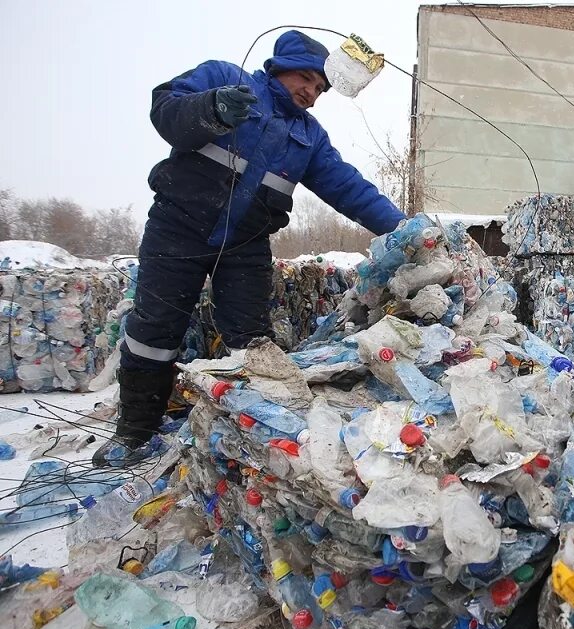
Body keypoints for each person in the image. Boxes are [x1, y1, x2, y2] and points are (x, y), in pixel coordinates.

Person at [93, 30, 406, 466]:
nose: (312, 94)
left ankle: (248, 427)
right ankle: (134, 432)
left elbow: (348, 187)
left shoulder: (308, 136)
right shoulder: (224, 78)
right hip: (177, 228)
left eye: (320, 89)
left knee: (252, 340)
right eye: (307, 81)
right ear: (282, 66)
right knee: (154, 332)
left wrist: (403, 229)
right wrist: (212, 108)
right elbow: (165, 108)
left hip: (245, 244)